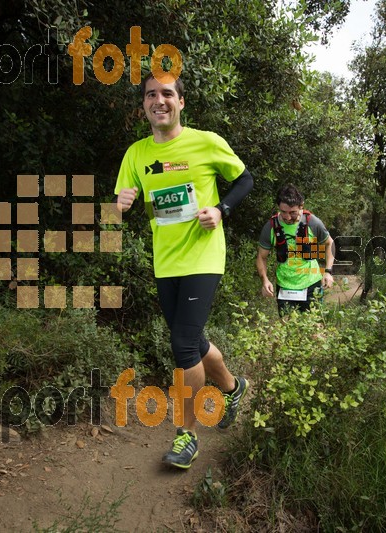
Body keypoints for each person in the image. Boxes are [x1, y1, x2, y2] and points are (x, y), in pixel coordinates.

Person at [114, 73, 252, 469]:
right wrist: (119, 204)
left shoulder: (206, 142)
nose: (160, 100)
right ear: (144, 104)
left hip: (204, 257)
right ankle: (232, 386)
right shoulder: (135, 154)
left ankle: (186, 435)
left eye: (167, 94)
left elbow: (245, 179)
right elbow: (119, 206)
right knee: (194, 340)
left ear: (181, 102)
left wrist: (221, 210)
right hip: (166, 261)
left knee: (183, 344)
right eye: (151, 95)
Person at [256, 184, 334, 314]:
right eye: (283, 212)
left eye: (292, 212)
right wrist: (265, 280)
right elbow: (261, 257)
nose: (287, 217)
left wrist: (328, 271)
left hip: (312, 283)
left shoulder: (312, 222)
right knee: (287, 330)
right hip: (285, 286)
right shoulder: (271, 227)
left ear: (301, 206)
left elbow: (329, 243)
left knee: (315, 330)